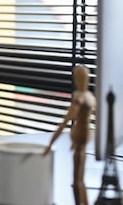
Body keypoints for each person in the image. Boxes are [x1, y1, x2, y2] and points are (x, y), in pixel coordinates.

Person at [44, 65, 96, 205]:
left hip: (80, 140)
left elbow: (65, 122)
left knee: (76, 181)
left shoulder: (80, 98)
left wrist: (51, 143)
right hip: (83, 140)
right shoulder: (90, 97)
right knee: (80, 180)